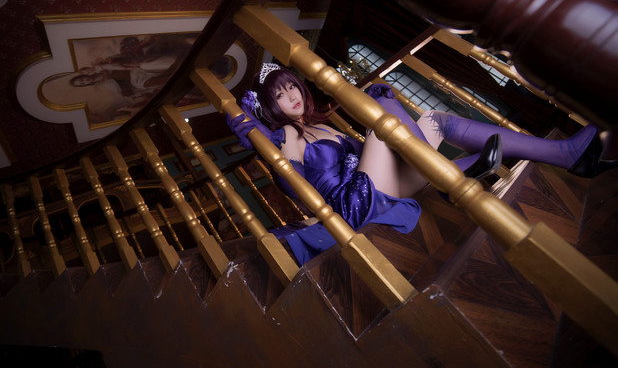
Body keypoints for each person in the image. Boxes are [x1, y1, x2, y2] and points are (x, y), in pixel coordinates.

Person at [228, 63, 615, 264]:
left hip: (377, 184)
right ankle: (452, 173)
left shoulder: (322, 127)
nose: (291, 95)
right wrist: (263, 143)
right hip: (353, 205)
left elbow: (369, 156)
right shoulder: (289, 136)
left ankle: (564, 155)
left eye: (291, 85)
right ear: (271, 108)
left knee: (434, 120)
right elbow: (290, 182)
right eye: (280, 95)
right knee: (381, 122)